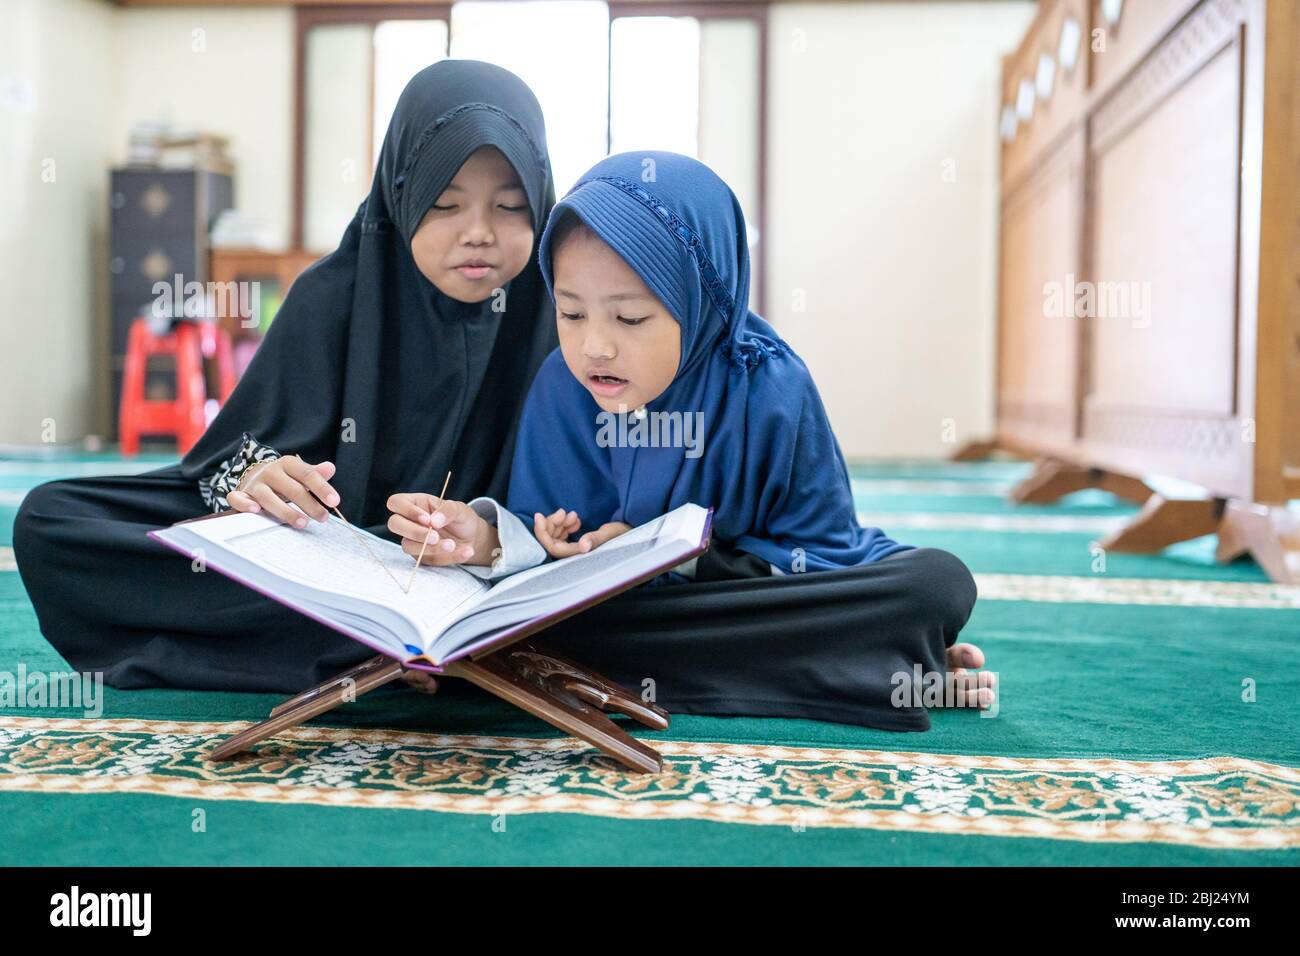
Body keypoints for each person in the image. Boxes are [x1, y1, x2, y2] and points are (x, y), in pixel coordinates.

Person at [383, 152, 992, 730]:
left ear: (700, 303)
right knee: (507, 622)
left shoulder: (771, 387)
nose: (595, 346)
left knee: (935, 583)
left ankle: (877, 653)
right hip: (608, 620)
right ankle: (877, 663)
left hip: (733, 605)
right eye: (571, 315)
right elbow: (535, 563)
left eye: (629, 319)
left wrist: (674, 559)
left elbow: (819, 555)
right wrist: (511, 541)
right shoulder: (560, 388)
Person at [12, 60, 559, 693]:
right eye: (445, 202)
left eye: (511, 206)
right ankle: (389, 653)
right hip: (327, 571)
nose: (479, 233)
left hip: (494, 583)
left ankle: (380, 658)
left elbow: (582, 515)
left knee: (660, 584)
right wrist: (259, 477)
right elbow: (231, 459)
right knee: (54, 521)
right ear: (401, 194)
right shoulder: (332, 296)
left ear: (540, 203)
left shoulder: (561, 314)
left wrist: (492, 540)